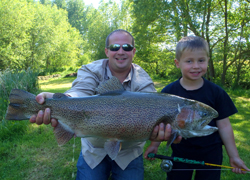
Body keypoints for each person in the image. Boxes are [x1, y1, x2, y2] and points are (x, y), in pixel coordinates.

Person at [29, 29, 181, 180]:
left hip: (129, 152)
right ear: (107, 51)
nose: (120, 51)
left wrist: (159, 136)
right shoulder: (91, 70)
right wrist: (62, 100)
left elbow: (155, 110)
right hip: (94, 150)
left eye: (126, 47)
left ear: (133, 51)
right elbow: (80, 91)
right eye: (115, 47)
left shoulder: (143, 80)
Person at [144, 36, 250, 180]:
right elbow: (163, 122)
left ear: (207, 60)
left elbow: (224, 126)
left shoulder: (216, 92)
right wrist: (155, 144)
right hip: (180, 151)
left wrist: (234, 156)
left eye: (201, 60)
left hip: (211, 154)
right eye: (189, 61)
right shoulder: (169, 92)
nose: (196, 66)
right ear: (177, 63)